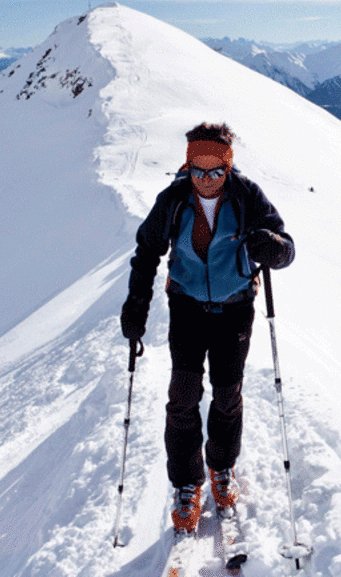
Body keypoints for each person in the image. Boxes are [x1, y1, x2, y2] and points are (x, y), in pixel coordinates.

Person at [120, 122, 295, 532]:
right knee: (182, 397)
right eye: (198, 168)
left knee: (227, 394)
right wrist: (136, 306)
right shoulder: (174, 201)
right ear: (188, 164)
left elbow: (286, 248)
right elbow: (146, 251)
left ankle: (221, 468)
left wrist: (273, 247)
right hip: (186, 308)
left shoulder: (247, 196)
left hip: (236, 309)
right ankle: (186, 485)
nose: (206, 178)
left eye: (216, 169)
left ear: (229, 166)